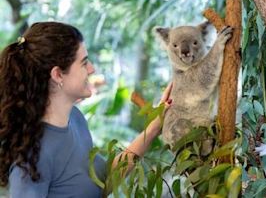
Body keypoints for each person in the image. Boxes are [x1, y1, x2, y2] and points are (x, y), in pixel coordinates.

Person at [0, 22, 172, 197]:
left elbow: (104, 180)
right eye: (83, 63)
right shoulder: (33, 157)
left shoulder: (75, 119)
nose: (92, 69)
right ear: (58, 74)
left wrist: (153, 128)